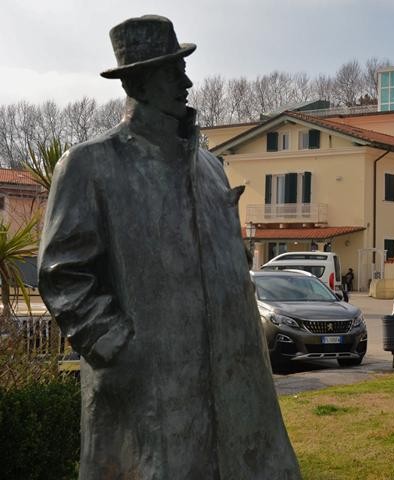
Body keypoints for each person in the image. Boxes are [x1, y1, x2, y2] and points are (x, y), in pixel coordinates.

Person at [38, 16, 300, 480]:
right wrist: (119, 349)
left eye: (183, 68)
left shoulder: (211, 169)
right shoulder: (90, 164)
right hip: (149, 389)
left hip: (236, 386)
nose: (187, 81)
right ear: (138, 82)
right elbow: (64, 274)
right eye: (172, 71)